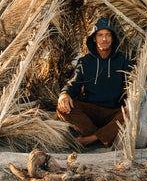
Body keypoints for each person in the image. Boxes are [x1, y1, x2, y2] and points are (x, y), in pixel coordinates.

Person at [57, 17, 133, 147]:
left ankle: (91, 139)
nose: (104, 39)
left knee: (131, 111)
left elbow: (132, 86)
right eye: (100, 35)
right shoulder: (85, 62)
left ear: (113, 38)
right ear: (94, 38)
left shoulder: (123, 60)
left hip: (114, 112)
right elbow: (72, 85)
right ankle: (103, 135)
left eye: (108, 35)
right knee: (62, 107)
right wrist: (64, 94)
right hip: (91, 112)